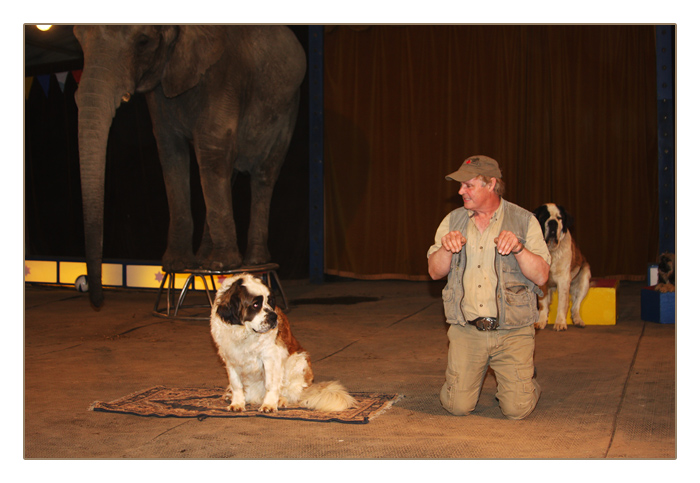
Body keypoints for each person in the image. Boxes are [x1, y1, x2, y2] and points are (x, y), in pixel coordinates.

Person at [427, 155, 551, 420]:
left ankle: (525, 383)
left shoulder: (524, 221)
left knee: (517, 410)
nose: (461, 191)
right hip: (467, 331)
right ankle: (467, 378)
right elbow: (434, 271)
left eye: (468, 185)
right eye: (460, 186)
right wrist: (446, 249)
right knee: (456, 406)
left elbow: (541, 276)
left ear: (491, 184)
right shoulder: (452, 221)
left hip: (513, 332)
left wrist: (519, 248)